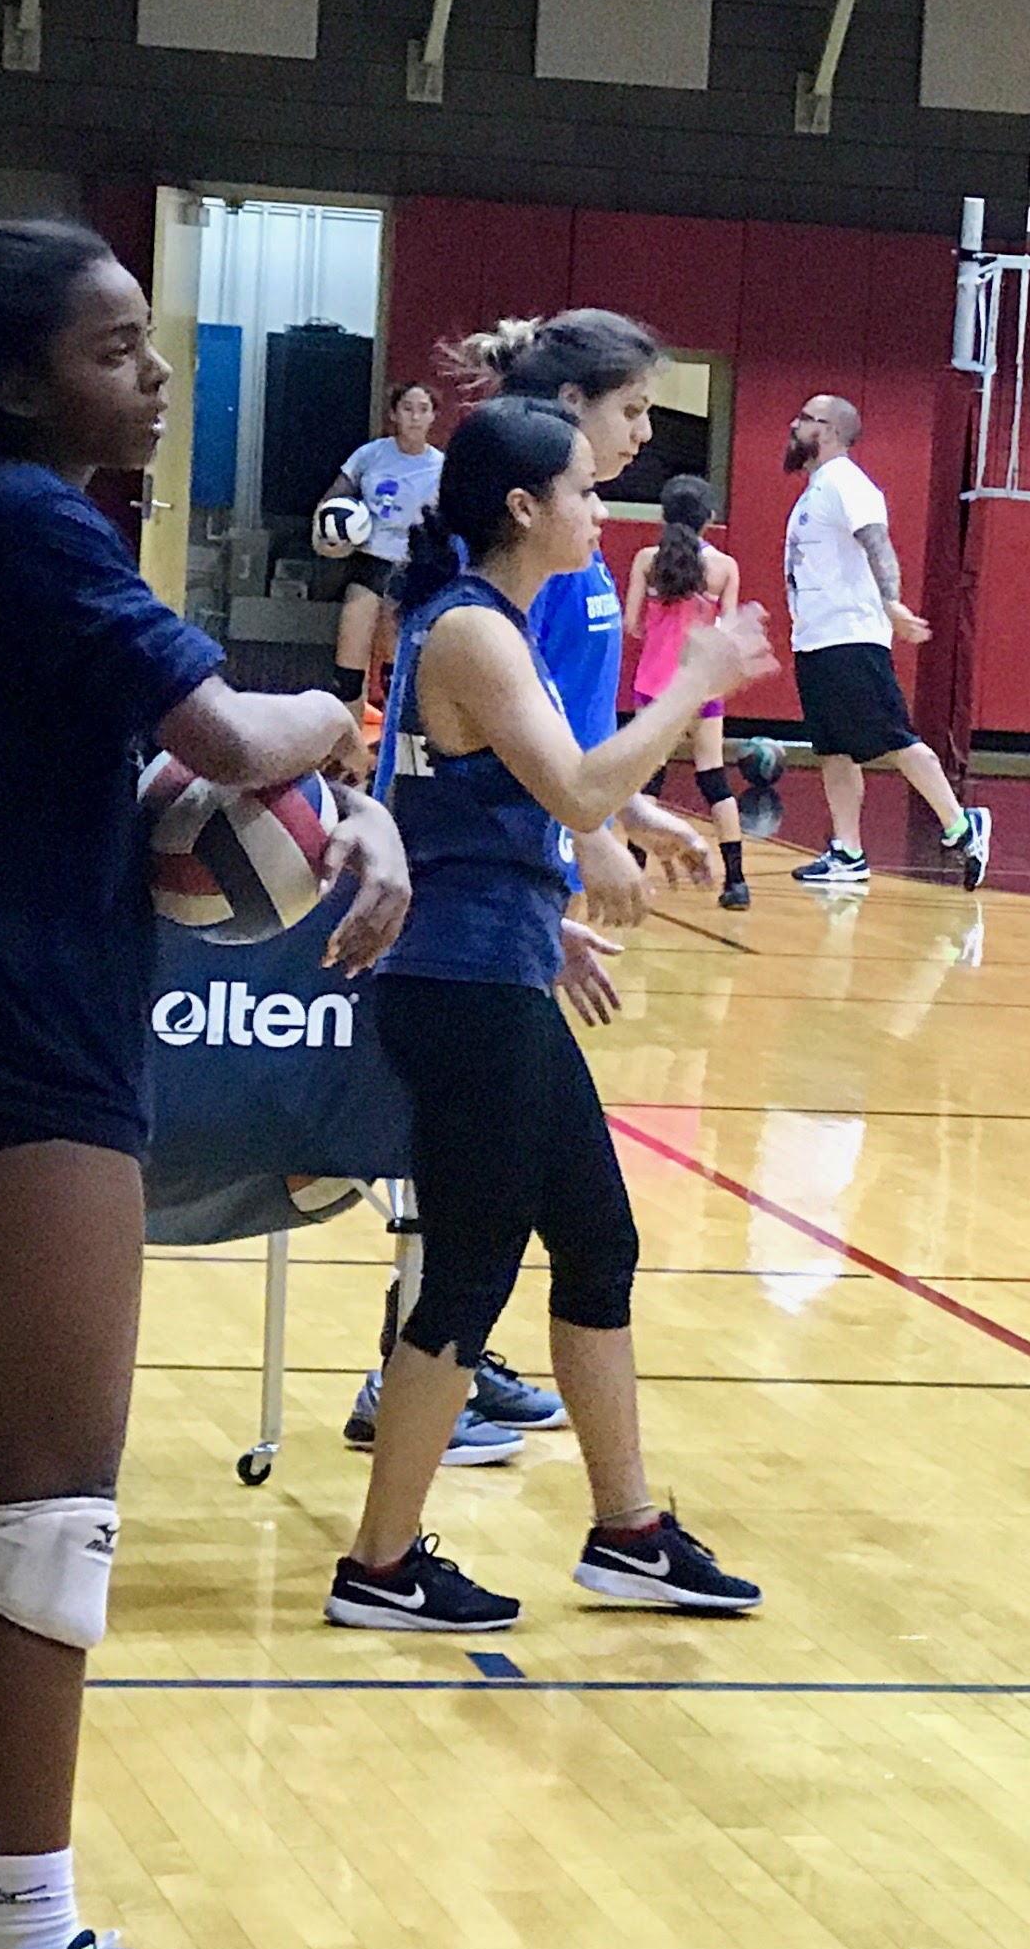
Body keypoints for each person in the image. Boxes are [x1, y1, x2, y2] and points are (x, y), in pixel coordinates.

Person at [0, 217, 409, 1949]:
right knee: (50, 1515)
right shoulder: (29, 522)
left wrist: (286, 803)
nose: (153, 373)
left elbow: (179, 777)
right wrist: (350, 726)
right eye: (113, 348)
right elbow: (242, 732)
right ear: (21, 383)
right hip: (24, 1059)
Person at [325, 396, 774, 1633]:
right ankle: (378, 1565)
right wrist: (691, 680)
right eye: (583, 488)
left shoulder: (480, 622)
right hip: (460, 985)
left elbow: (508, 803)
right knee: (470, 1273)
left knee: (597, 1237)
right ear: (523, 508)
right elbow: (574, 782)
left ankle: (626, 1530)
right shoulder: (469, 626)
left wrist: (569, 898)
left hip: (491, 965)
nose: (600, 507)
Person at [338, 309, 714, 1461]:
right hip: (474, 921)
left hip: (509, 903)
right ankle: (411, 1428)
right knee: (483, 1231)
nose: (643, 438)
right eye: (631, 411)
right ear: (562, 426)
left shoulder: (575, 548)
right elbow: (505, 751)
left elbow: (561, 744)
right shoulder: (508, 582)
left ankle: (609, 1514)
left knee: (562, 1230)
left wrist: (620, 821)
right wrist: (584, 838)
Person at [779, 394, 991, 893]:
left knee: (895, 738)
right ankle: (848, 853)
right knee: (833, 750)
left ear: (828, 430)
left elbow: (877, 542)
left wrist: (892, 603)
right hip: (816, 640)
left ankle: (962, 825)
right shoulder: (816, 489)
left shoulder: (847, 484)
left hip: (852, 638)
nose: (794, 425)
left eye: (805, 419)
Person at [622, 472, 753, 909]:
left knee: (648, 778)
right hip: (701, 685)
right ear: (709, 518)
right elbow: (729, 634)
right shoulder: (725, 567)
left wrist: (660, 633)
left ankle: (632, 873)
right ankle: (735, 882)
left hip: (654, 684)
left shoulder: (646, 559)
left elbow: (631, 625)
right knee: (713, 777)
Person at [322, 379, 440, 704]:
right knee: (348, 668)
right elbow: (332, 500)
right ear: (393, 414)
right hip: (368, 561)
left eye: (423, 410)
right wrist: (326, 535)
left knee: (396, 665)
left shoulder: (441, 468)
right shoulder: (371, 455)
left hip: (410, 567)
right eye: (407, 408)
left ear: (433, 417)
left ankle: (394, 746)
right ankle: (349, 751)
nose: (415, 417)